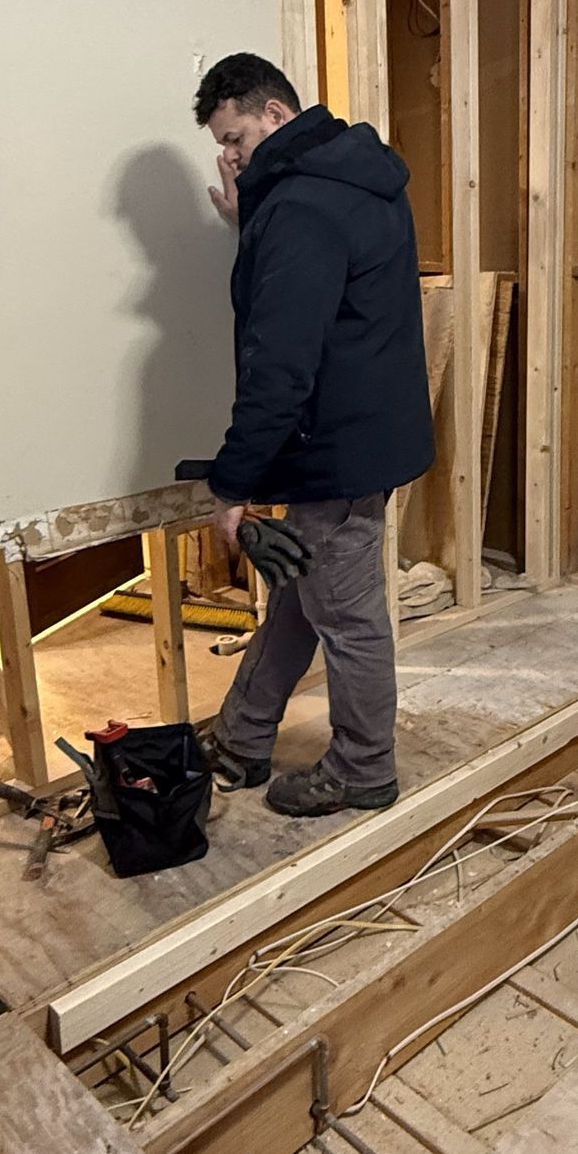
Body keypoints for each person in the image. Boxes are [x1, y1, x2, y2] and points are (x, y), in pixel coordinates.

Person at [189, 53, 432, 816]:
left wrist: (233, 484)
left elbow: (281, 360)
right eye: (221, 147)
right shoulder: (357, 179)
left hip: (333, 447)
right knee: (303, 591)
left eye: (235, 140)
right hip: (368, 434)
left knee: (350, 619)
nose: (229, 158)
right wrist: (249, 222)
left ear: (275, 115)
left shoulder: (299, 208)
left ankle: (364, 769)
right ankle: (244, 734)